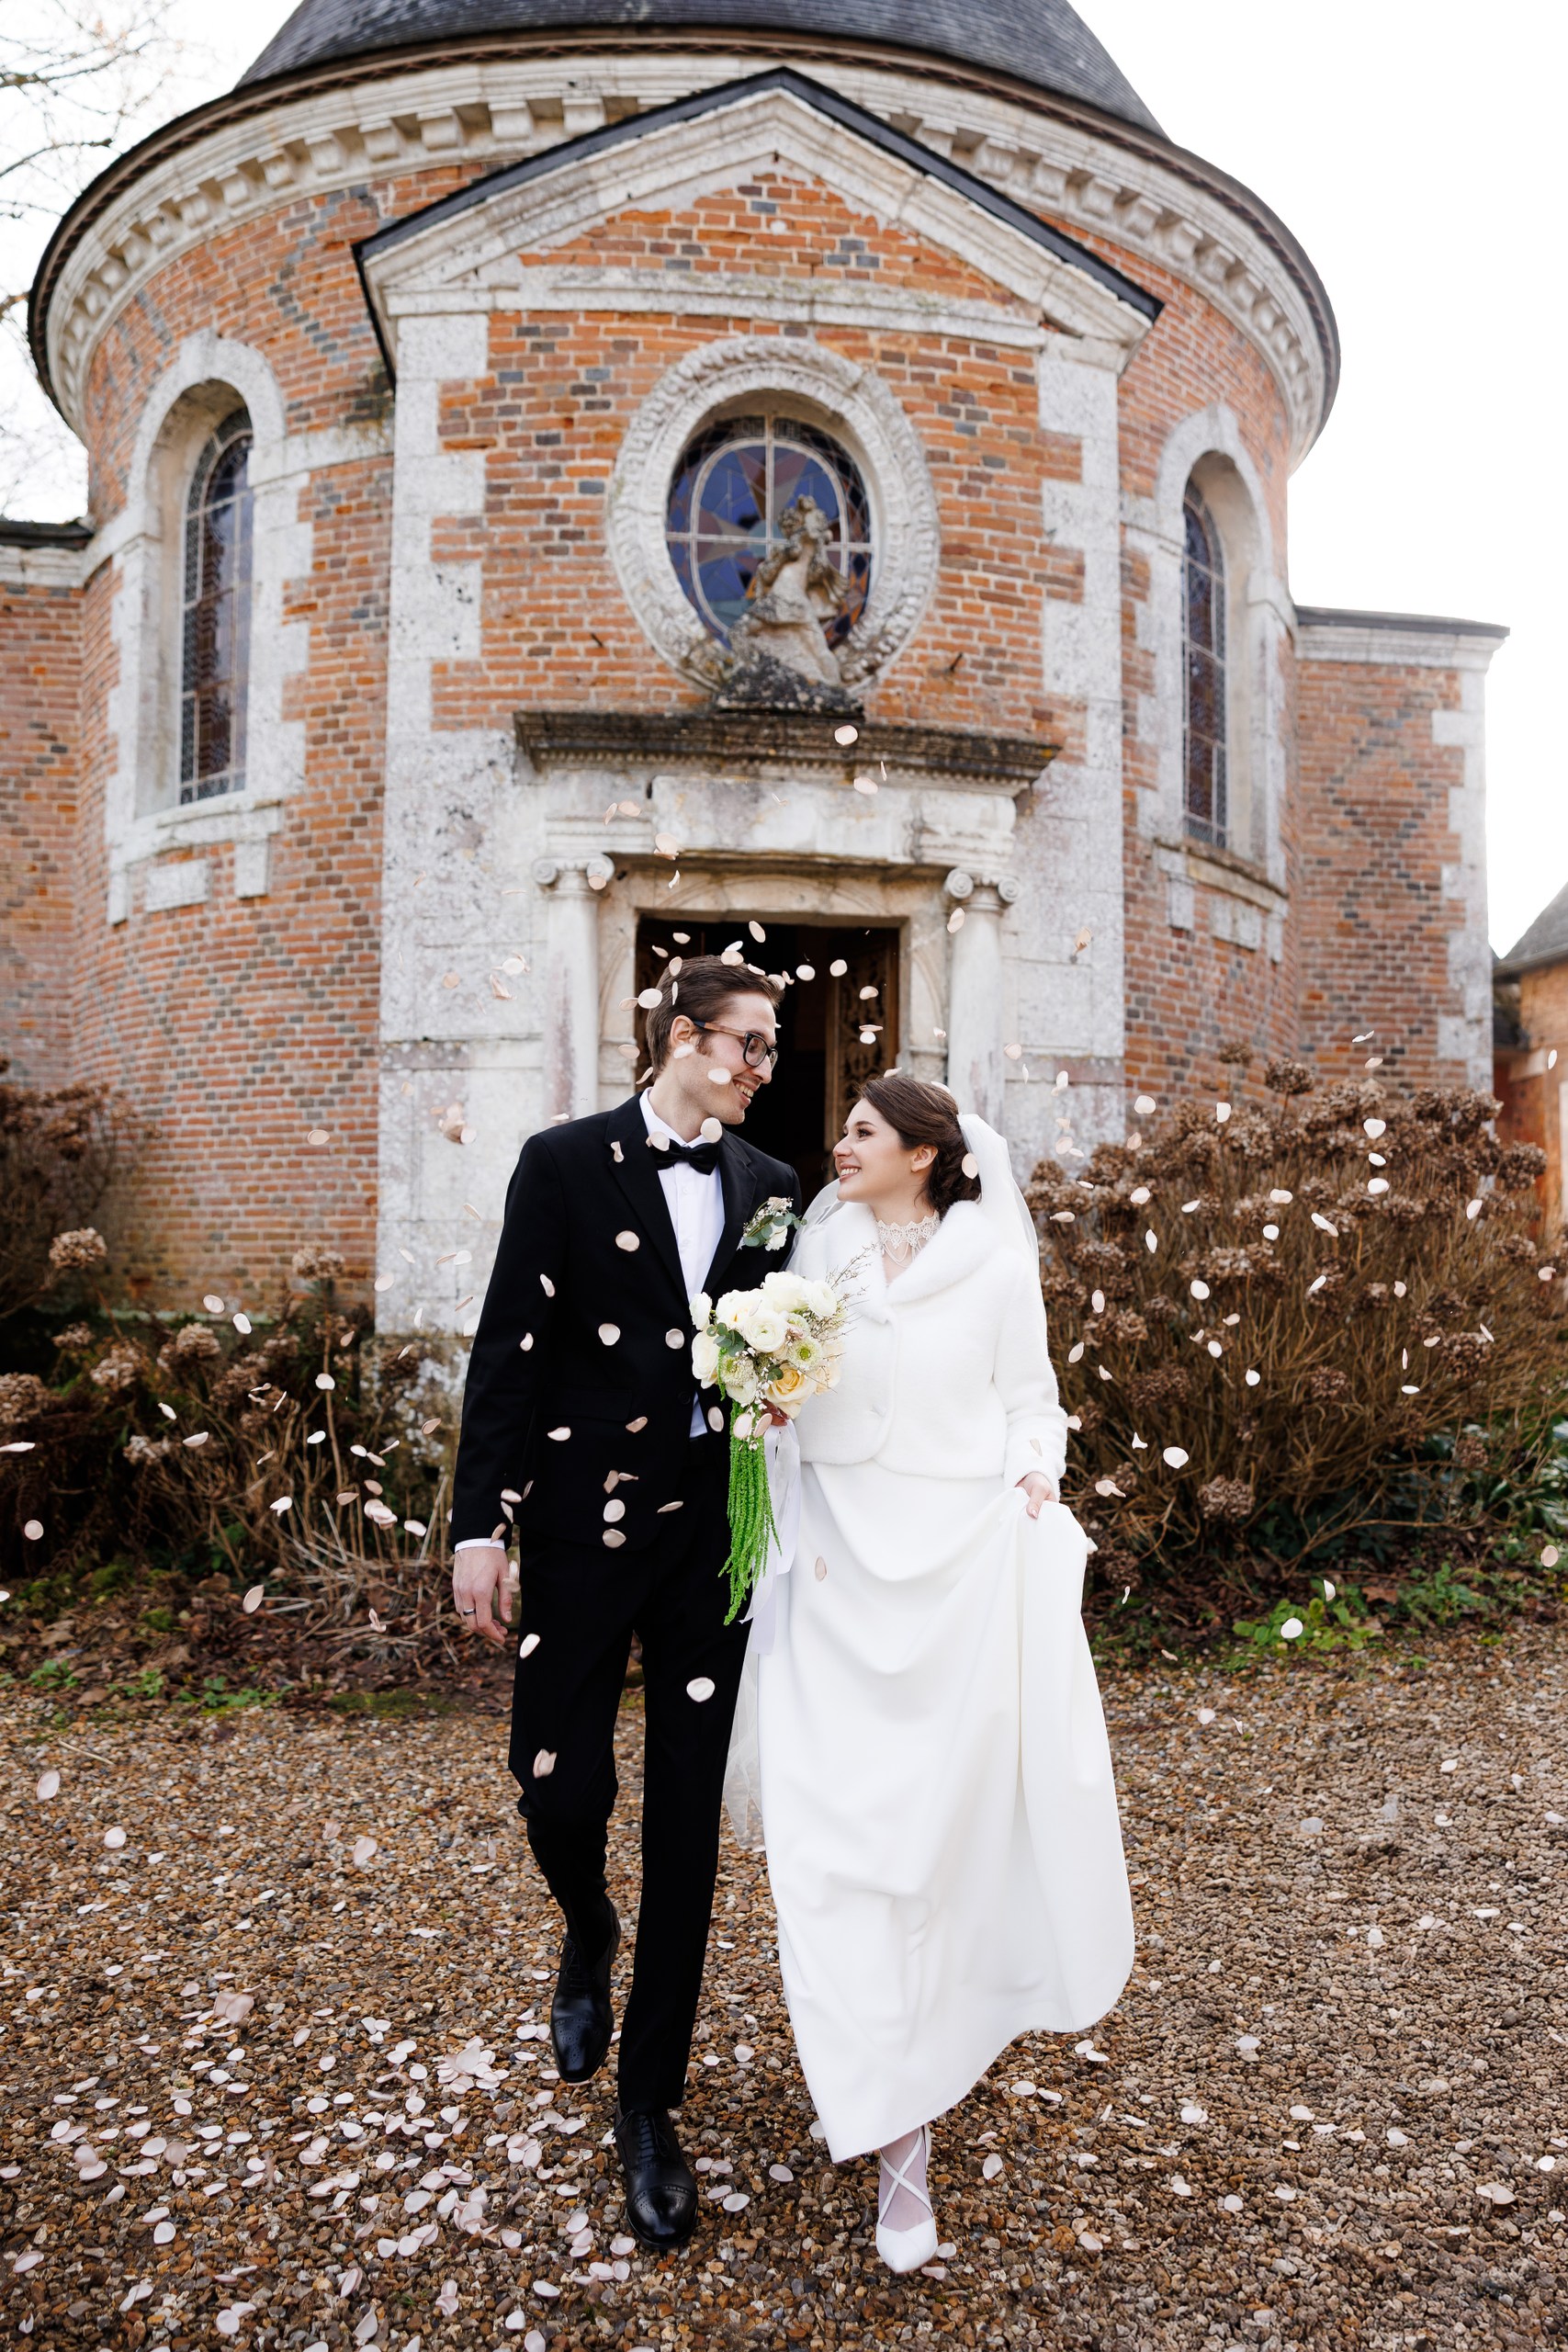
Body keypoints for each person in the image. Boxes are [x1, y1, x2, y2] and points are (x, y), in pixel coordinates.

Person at [729, 1074, 1134, 2273]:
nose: (837, 1144)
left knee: (931, 1850)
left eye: (861, 1130)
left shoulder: (996, 1270)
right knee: (832, 1841)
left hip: (957, 1577)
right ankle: (880, 2098)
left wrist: (1033, 1475)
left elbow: (1031, 1403)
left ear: (925, 1150)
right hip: (836, 1579)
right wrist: (767, 1408)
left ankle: (907, 2127)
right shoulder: (819, 1259)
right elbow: (790, 1398)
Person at [449, 956, 803, 2250]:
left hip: (717, 1537)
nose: (767, 1066)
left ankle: (651, 2103)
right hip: (581, 1519)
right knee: (556, 1787)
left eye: (773, 1047)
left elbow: (789, 1351)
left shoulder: (773, 1191)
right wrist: (477, 1522)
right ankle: (584, 1922)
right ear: (681, 1038)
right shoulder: (561, 1161)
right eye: (751, 1044)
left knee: (689, 1828)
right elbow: (506, 1345)